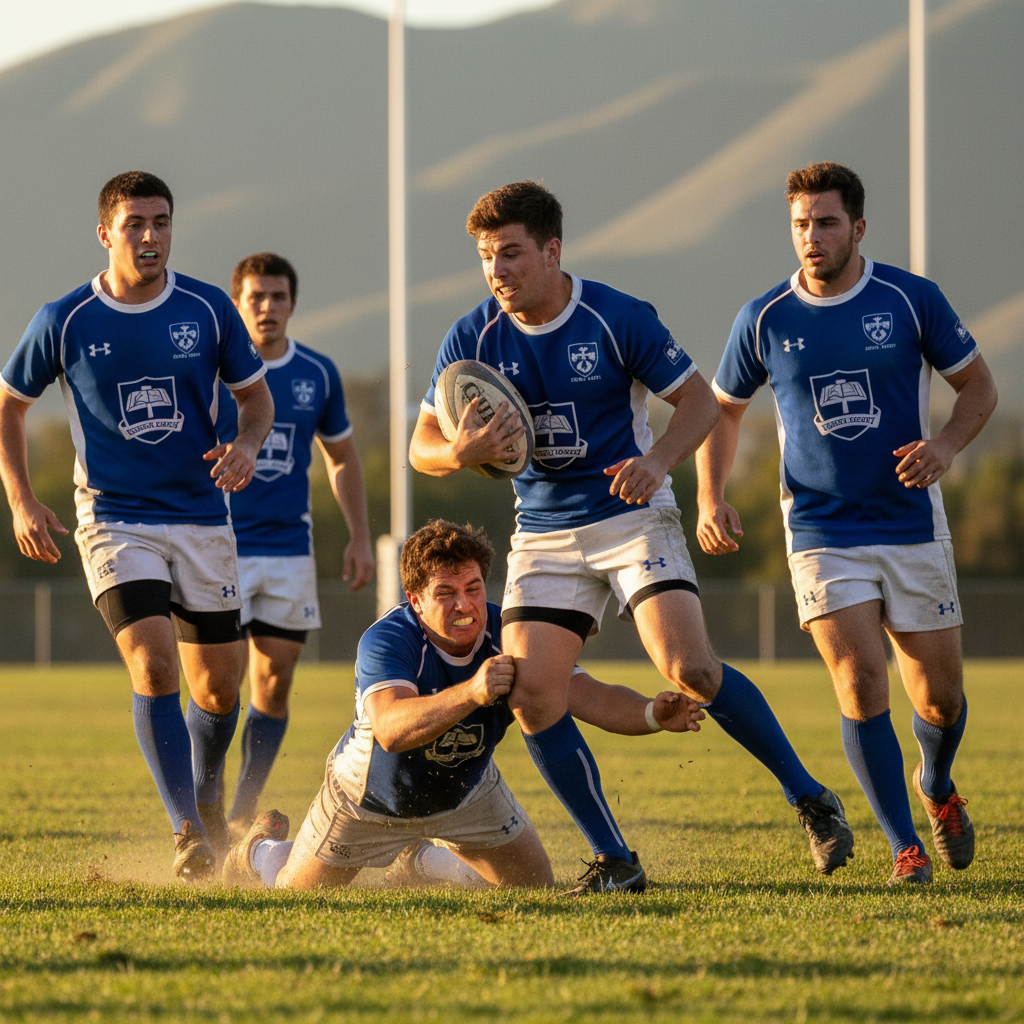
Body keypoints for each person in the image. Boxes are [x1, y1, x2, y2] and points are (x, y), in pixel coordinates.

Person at [407, 181, 854, 892]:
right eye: (487, 257)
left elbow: (701, 402)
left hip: (629, 516)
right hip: (545, 531)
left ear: (553, 250)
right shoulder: (473, 336)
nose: (498, 271)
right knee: (532, 693)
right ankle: (616, 861)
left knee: (692, 671)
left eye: (513, 254)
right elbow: (420, 446)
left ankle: (811, 799)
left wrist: (655, 463)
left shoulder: (615, 318)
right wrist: (457, 453)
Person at [695, 161, 997, 885]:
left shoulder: (909, 299)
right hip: (821, 529)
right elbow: (721, 413)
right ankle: (905, 846)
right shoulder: (763, 317)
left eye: (826, 223)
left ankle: (936, 785)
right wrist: (711, 496)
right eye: (800, 223)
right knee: (860, 681)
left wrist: (946, 446)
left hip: (909, 524)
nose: (811, 237)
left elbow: (978, 387)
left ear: (858, 228)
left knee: (940, 698)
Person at [0, 171, 274, 882]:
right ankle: (187, 829)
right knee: (153, 665)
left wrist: (246, 447)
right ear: (105, 233)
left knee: (219, 689)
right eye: (135, 225)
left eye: (161, 222)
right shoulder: (64, 319)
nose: (150, 237)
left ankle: (207, 795)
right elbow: (8, 405)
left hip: (202, 515)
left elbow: (255, 401)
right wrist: (22, 500)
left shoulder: (210, 309)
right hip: (114, 517)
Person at [222, 519, 704, 891]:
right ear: (415, 600)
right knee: (296, 891)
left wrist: (650, 714)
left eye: (473, 588)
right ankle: (258, 850)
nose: (464, 606)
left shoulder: (508, 630)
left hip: (467, 794)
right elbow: (391, 728)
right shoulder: (387, 640)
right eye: (445, 593)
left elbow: (584, 693)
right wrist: (473, 692)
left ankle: (419, 860)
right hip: (367, 801)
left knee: (532, 885)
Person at [216, 252, 375, 838]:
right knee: (219, 680)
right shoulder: (213, 371)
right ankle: (202, 802)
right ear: (238, 303)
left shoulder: (317, 373)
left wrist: (360, 536)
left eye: (277, 297)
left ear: (292, 304)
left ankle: (240, 807)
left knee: (276, 678)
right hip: (219, 545)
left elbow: (341, 457)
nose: (267, 307)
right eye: (256, 297)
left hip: (288, 550)